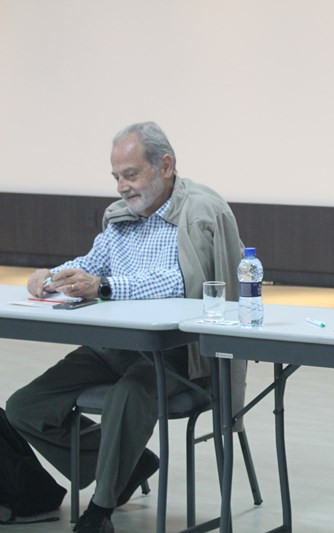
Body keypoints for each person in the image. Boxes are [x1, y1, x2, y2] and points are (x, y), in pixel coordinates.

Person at [5, 122, 243, 533]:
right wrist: (50, 276)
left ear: (165, 166)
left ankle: (100, 510)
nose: (121, 186)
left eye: (130, 174)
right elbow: (91, 264)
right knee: (26, 407)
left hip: (178, 356)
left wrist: (105, 287)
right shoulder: (121, 218)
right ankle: (129, 464)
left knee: (126, 396)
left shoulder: (201, 213)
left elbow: (183, 281)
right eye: (116, 176)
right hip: (115, 347)